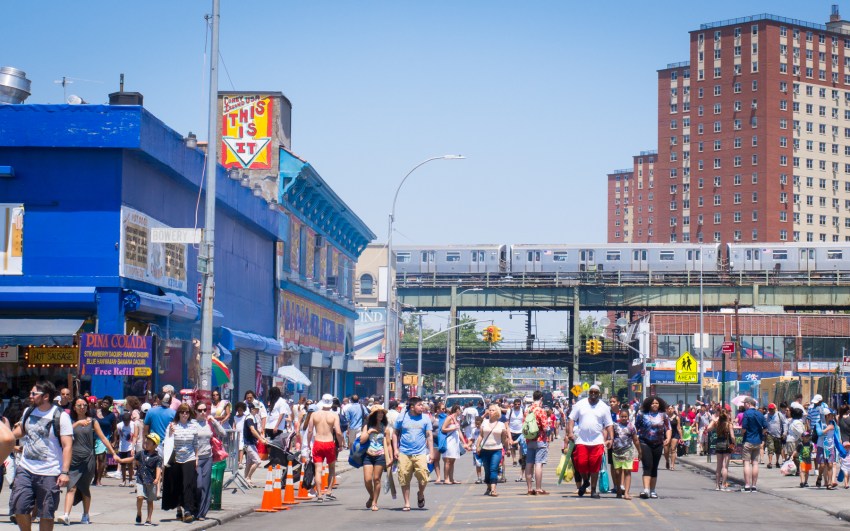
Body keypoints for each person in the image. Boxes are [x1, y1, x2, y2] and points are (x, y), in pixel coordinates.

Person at [10, 381, 73, 531]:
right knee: (19, 508)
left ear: (46, 396)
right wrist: (8, 435)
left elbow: (67, 446)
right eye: (30, 393)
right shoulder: (28, 411)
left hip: (50, 472)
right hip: (25, 468)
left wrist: (64, 472)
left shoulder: (61, 416)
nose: (30, 396)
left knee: (46, 513)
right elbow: (22, 431)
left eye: (34, 393)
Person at [60, 397, 120, 526]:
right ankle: (66, 515)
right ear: (74, 407)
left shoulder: (93, 421)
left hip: (88, 459)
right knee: (71, 487)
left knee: (84, 488)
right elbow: (63, 434)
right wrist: (77, 423)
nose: (82, 408)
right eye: (79, 405)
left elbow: (103, 438)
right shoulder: (69, 421)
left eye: (85, 405)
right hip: (73, 458)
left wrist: (113, 453)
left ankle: (86, 514)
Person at [566, 385, 613, 499]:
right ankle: (586, 481)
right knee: (581, 463)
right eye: (591, 392)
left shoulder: (604, 407)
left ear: (599, 394)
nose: (593, 394)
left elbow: (609, 424)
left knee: (594, 467)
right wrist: (570, 433)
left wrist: (610, 439)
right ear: (588, 392)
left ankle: (593, 490)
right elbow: (571, 419)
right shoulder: (580, 404)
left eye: (595, 392)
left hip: (597, 441)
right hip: (581, 440)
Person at [393, 397, 433, 511]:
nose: (422, 407)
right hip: (404, 452)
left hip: (420, 452)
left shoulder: (425, 418)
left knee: (424, 477)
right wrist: (395, 449)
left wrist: (431, 452)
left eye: (422, 405)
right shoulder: (402, 418)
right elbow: (395, 433)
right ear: (412, 407)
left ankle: (420, 493)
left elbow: (429, 435)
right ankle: (407, 503)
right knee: (404, 477)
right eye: (419, 405)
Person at [162, 403, 200, 523]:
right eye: (182, 412)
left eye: (187, 412)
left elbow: (195, 444)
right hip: (176, 458)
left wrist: (196, 458)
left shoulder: (193, 426)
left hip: (189, 457)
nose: (184, 414)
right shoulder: (172, 426)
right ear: (178, 413)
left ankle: (187, 510)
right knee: (177, 484)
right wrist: (170, 433)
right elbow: (167, 442)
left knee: (188, 484)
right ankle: (178, 508)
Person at [114, 432, 162, 526]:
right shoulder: (141, 453)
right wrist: (121, 460)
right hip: (140, 479)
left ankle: (148, 519)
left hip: (151, 481)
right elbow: (132, 459)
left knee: (150, 501)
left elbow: (158, 468)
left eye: (149, 442)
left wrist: (157, 478)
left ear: (155, 445)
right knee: (139, 497)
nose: (146, 443)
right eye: (146, 441)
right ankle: (139, 512)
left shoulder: (158, 458)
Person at [306, 394, 343, 502]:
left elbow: (309, 431)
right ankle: (329, 491)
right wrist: (340, 444)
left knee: (318, 469)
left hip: (318, 442)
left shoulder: (314, 414)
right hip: (329, 443)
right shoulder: (334, 415)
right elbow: (338, 432)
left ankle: (319, 494)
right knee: (331, 468)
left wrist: (308, 443)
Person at [193, 401, 226, 520]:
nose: (203, 412)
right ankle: (194, 509)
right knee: (198, 485)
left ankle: (202, 513)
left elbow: (223, 433)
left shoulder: (208, 423)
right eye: (200, 410)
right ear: (195, 411)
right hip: (196, 458)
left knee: (206, 486)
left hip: (208, 457)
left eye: (204, 410)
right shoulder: (192, 424)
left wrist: (214, 421)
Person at [634, 396, 671, 499]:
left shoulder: (663, 415)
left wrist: (668, 438)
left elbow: (668, 428)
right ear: (648, 404)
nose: (655, 405)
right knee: (647, 466)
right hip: (645, 442)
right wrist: (635, 440)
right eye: (653, 403)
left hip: (658, 443)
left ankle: (653, 490)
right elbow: (635, 427)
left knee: (654, 467)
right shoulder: (642, 414)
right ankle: (646, 490)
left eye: (657, 403)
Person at [359, 407, 393, 511]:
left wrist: (391, 457)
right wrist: (369, 432)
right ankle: (371, 495)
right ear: (374, 415)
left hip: (380, 455)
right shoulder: (367, 426)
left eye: (382, 413)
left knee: (377, 479)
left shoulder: (385, 428)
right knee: (367, 479)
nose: (381, 415)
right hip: (368, 455)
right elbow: (362, 440)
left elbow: (388, 444)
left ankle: (374, 502)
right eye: (378, 413)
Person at [475, 404, 511, 497]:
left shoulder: (501, 424)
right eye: (490, 410)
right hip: (485, 449)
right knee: (487, 470)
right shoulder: (484, 422)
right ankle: (488, 487)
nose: (491, 412)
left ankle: (493, 489)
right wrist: (477, 446)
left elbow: (504, 439)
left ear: (497, 412)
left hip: (497, 449)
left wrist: (507, 448)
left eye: (493, 410)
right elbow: (481, 436)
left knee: (493, 468)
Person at [524, 390, 551, 496]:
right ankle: (538, 489)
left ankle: (529, 489)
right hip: (540, 439)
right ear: (541, 398)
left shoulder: (528, 410)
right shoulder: (541, 410)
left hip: (529, 439)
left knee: (529, 464)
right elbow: (545, 427)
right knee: (538, 464)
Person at [611, 409, 640, 500]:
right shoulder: (615, 426)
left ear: (628, 417)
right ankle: (619, 490)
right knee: (617, 472)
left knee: (627, 471)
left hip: (628, 451)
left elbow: (635, 439)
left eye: (625, 416)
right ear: (619, 416)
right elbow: (610, 437)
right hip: (616, 452)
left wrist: (639, 451)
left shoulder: (631, 426)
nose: (623, 418)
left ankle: (626, 493)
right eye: (622, 416)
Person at [740, 397, 767, 492]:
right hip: (757, 441)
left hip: (748, 440)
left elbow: (744, 428)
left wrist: (742, 433)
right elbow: (766, 427)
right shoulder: (760, 414)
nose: (743, 405)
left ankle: (747, 485)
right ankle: (754, 486)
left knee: (746, 463)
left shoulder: (746, 413)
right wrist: (760, 434)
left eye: (744, 403)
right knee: (755, 463)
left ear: (748, 403)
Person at [441, 405, 469, 484]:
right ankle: (446, 479)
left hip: (455, 442)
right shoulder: (449, 418)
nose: (461, 412)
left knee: (452, 460)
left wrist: (464, 442)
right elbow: (443, 428)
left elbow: (459, 431)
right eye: (460, 410)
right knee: (447, 460)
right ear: (457, 410)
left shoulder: (457, 419)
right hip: (449, 441)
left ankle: (451, 478)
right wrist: (453, 428)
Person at [708, 407, 735, 491]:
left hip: (718, 445)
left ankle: (717, 485)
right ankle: (723, 485)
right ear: (727, 415)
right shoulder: (729, 424)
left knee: (718, 466)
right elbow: (732, 436)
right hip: (727, 445)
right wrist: (734, 444)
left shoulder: (717, 423)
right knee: (725, 467)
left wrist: (714, 420)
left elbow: (708, 428)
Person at [243, 401, 268, 487]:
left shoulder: (253, 418)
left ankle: (245, 479)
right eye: (256, 409)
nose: (258, 410)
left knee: (249, 463)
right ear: (252, 409)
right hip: (248, 443)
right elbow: (253, 430)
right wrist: (261, 439)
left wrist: (262, 437)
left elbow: (256, 430)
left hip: (252, 443)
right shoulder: (249, 418)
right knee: (257, 461)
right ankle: (248, 478)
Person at [93, 397, 116, 487]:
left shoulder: (111, 416)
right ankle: (95, 477)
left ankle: (99, 479)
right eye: (104, 402)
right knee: (93, 460)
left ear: (110, 405)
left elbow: (114, 429)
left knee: (101, 458)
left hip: (104, 438)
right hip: (93, 437)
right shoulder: (94, 412)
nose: (105, 404)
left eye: (107, 403)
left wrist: (114, 440)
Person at [115, 411, 137, 487]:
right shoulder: (119, 425)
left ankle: (130, 480)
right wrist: (115, 442)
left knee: (130, 464)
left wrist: (133, 448)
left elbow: (135, 436)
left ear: (130, 420)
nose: (126, 423)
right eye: (125, 421)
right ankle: (123, 480)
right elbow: (116, 434)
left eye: (127, 421)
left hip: (130, 446)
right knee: (123, 465)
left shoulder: (133, 425)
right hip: (122, 447)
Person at [764, 403, 786, 469]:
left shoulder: (779, 415)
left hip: (778, 435)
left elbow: (784, 423)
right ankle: (770, 462)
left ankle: (777, 462)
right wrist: (764, 430)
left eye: (772, 409)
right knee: (770, 448)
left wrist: (784, 432)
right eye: (770, 409)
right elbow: (763, 424)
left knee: (778, 449)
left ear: (775, 409)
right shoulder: (766, 416)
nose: (771, 411)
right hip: (769, 434)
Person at [506, 399, 524, 467]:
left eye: (518, 404)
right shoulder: (510, 411)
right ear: (513, 404)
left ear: (520, 404)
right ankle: (514, 460)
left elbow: (524, 420)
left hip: (521, 431)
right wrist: (507, 431)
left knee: (521, 446)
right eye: (516, 404)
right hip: (512, 431)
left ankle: (520, 458)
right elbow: (507, 422)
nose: (517, 405)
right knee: (512, 447)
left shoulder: (522, 410)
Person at [664, 405, 682, 471]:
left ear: (674, 409)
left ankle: (672, 465)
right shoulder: (665, 417)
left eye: (671, 409)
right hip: (666, 435)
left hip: (675, 434)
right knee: (666, 450)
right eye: (669, 409)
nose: (670, 410)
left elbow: (679, 428)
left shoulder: (677, 418)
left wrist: (681, 437)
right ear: (667, 410)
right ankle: (667, 461)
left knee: (673, 449)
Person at [470, 416, 484, 484]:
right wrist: (468, 445)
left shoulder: (484, 430)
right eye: (476, 424)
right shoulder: (473, 430)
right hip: (475, 449)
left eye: (479, 424)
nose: (477, 425)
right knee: (478, 465)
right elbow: (472, 439)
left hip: (484, 449)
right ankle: (479, 478)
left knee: (485, 464)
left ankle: (487, 477)